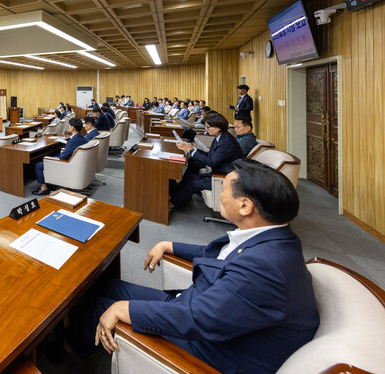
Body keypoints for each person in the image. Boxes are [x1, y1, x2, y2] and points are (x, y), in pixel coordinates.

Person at [66, 160, 319, 373]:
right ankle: (80, 331)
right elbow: (218, 255)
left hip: (207, 348)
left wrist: (123, 310)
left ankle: (66, 349)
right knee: (111, 286)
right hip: (200, 308)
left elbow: (199, 319)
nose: (219, 193)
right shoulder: (273, 238)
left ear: (245, 205)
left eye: (224, 189)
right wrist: (169, 245)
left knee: (106, 306)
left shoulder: (264, 268)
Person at [170, 113, 243, 208]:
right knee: (189, 177)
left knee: (192, 183)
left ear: (218, 127)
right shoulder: (220, 138)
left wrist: (191, 151)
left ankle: (171, 204)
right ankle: (171, 197)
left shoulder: (227, 143)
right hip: (219, 173)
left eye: (208, 127)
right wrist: (193, 149)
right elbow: (210, 156)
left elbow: (211, 162)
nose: (206, 129)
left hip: (225, 178)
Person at [32, 118, 87, 196]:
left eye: (69, 126)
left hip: (66, 163)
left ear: (72, 128)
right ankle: (50, 182)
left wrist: (52, 158)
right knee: (52, 155)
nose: (68, 127)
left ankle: (44, 188)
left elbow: (62, 157)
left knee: (38, 165)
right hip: (74, 161)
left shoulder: (72, 141)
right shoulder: (81, 137)